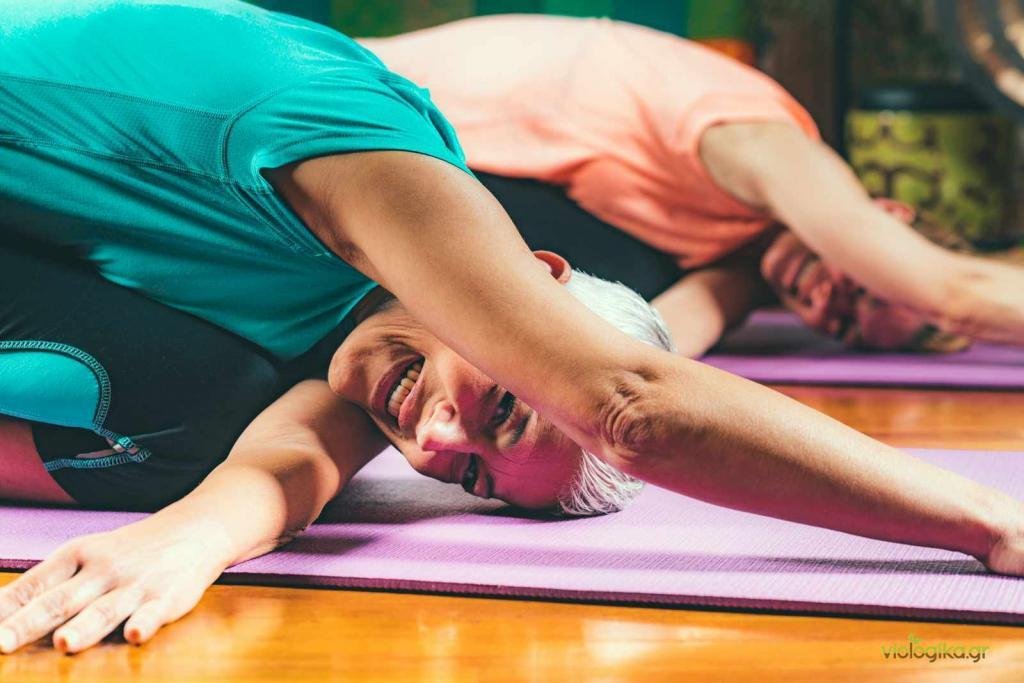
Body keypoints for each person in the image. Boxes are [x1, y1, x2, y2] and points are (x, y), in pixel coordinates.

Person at [2, 0, 1024, 655]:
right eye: (502, 400)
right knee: (192, 414)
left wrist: (195, 536)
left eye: (473, 477)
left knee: (211, 424)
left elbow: (314, 432)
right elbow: (629, 402)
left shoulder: (387, 327)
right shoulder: (374, 160)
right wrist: (989, 520)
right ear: (535, 276)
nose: (434, 444)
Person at [360, 14, 1024, 356]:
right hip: (347, 98)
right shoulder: (769, 143)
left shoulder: (742, 254)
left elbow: (662, 334)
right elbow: (952, 292)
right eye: (861, 281)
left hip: (402, 165)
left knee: (610, 296)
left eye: (842, 322)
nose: (825, 299)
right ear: (885, 214)